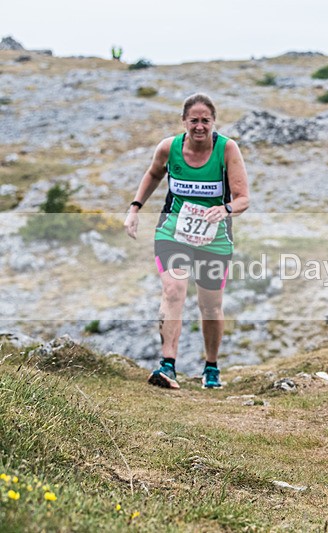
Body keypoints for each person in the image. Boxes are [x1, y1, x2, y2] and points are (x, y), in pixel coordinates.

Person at [124, 93, 250, 390]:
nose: (199, 126)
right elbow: (153, 174)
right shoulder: (169, 148)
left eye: (205, 120)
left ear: (213, 122)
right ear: (184, 121)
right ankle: (168, 364)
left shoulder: (227, 149)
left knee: (210, 306)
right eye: (193, 120)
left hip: (214, 238)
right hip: (173, 231)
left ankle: (211, 366)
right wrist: (134, 208)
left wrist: (225, 209)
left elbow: (244, 198)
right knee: (173, 289)